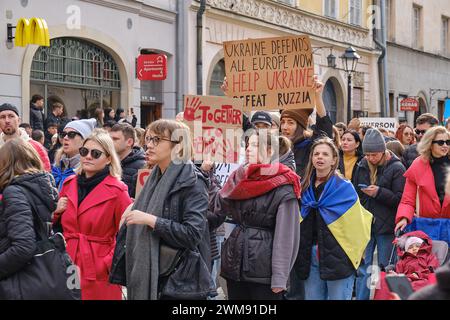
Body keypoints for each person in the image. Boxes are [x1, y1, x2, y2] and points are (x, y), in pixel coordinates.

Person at [110, 119, 211, 300]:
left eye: (157, 140)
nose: (148, 145)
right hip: (155, 276)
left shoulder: (193, 182)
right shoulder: (154, 178)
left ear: (178, 146)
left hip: (178, 281)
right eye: (148, 139)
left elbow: (192, 234)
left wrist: (150, 220)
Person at [207, 131, 301, 300]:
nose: (249, 149)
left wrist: (280, 278)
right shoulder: (239, 176)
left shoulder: (285, 183)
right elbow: (217, 207)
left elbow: (286, 236)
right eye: (249, 144)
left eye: (256, 145)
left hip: (263, 272)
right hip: (235, 265)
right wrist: (209, 174)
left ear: (270, 151)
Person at [53, 129, 132, 300]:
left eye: (95, 153)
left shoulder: (118, 191)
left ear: (109, 158)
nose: (88, 156)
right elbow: (53, 224)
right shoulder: (69, 183)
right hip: (67, 261)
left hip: (98, 267)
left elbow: (129, 233)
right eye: (84, 151)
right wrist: (56, 211)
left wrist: (107, 263)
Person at [298, 138, 372, 300]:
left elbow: (357, 225)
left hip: (339, 256)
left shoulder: (344, 188)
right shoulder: (304, 187)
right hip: (310, 256)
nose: (320, 157)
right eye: (316, 154)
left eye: (325, 154)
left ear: (333, 160)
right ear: (311, 158)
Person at [280, 76, 332, 300]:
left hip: (303, 217)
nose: (285, 127)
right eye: (283, 122)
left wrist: (318, 97)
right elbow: (247, 130)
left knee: (299, 271)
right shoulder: (276, 146)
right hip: (279, 214)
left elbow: (324, 129)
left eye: (290, 123)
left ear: (300, 125)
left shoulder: (309, 146)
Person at [0, 139, 58, 298]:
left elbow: (23, 246)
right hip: (38, 274)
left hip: (19, 278)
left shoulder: (14, 191)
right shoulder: (41, 186)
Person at [353, 128, 406, 300]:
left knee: (386, 268)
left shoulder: (397, 167)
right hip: (366, 225)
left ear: (383, 152)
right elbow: (355, 193)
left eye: (374, 155)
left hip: (387, 226)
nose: (370, 158)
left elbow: (401, 199)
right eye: (367, 154)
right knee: (363, 267)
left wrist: (379, 193)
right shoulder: (361, 165)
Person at [395, 126, 450, 234]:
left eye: (448, 142)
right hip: (427, 227)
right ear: (429, 144)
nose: (445, 145)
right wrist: (403, 217)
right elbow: (408, 200)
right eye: (440, 142)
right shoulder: (418, 165)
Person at [0, 103, 50, 171]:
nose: (7, 121)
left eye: (11, 116)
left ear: (19, 120)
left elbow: (46, 175)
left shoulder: (35, 146)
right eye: (2, 117)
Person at [52, 119, 96, 190]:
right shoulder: (57, 165)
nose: (65, 138)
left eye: (71, 135)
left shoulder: (88, 170)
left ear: (84, 140)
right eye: (63, 134)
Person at [109, 123, 146, 198]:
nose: (110, 142)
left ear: (129, 142)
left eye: (115, 139)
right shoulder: (106, 162)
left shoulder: (142, 166)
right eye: (109, 139)